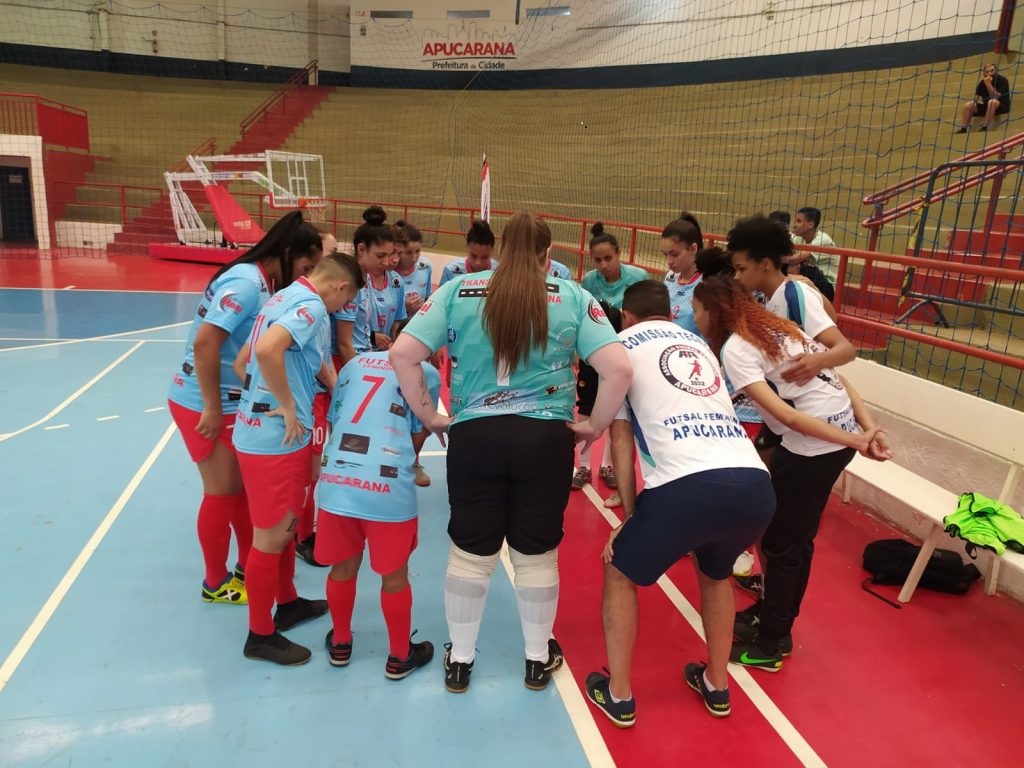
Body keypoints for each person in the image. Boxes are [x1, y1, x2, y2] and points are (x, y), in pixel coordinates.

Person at [390, 212, 632, 695]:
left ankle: (459, 660)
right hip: (544, 440)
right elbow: (619, 368)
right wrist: (593, 427)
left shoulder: (459, 289)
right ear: (548, 254)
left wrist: (431, 415)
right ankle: (537, 659)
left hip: (475, 435)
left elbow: (402, 353)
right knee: (537, 555)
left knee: (470, 553)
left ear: (501, 249)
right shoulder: (572, 295)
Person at [581, 280, 775, 726]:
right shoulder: (698, 343)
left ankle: (620, 695)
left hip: (686, 485)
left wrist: (629, 518)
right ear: (670, 312)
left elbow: (621, 435)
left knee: (619, 569)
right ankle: (717, 683)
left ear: (627, 316)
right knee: (715, 572)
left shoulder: (619, 346)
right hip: (753, 485)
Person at [692, 276, 892, 672]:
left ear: (713, 313)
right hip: (830, 440)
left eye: (696, 310)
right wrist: (863, 429)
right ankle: (772, 618)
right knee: (790, 537)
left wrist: (859, 440)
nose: (693, 317)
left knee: (785, 545)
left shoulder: (737, 347)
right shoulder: (775, 326)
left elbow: (788, 416)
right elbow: (840, 381)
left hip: (816, 448)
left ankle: (772, 642)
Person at [167, 211, 324, 606]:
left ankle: (242, 568)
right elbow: (205, 343)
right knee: (221, 492)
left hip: (229, 398)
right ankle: (215, 581)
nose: (305, 276)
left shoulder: (263, 282)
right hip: (204, 400)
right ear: (287, 253)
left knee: (239, 494)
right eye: (305, 266)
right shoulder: (246, 283)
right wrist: (211, 407)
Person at [232, 252, 364, 665]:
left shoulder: (283, 297)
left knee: (282, 529)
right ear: (341, 288)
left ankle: (286, 602)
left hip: (254, 434)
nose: (343, 309)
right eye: (346, 301)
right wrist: (288, 405)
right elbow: (271, 350)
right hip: (278, 441)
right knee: (271, 537)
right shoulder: (309, 308)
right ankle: (260, 634)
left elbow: (243, 364)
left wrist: (321, 381)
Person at [315, 334, 441, 679]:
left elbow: (334, 419)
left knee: (342, 568)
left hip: (338, 481)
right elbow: (420, 432)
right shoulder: (426, 372)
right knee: (395, 576)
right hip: (387, 487)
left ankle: (340, 643)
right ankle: (399, 656)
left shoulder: (354, 364)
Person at [575, 222, 648, 505]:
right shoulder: (589, 282)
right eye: (598, 260)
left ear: (619, 254)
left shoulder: (637, 277)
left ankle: (607, 466)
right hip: (593, 355)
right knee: (586, 407)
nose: (603, 265)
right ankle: (582, 465)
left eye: (609, 258)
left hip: (625, 354)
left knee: (618, 410)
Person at [296, 231, 342, 568]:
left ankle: (300, 534)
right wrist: (338, 386)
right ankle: (303, 538)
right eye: (331, 251)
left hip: (317, 398)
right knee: (309, 475)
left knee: (313, 472)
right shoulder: (308, 306)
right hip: (310, 400)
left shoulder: (317, 306)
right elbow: (316, 360)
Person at [394, 219, 436, 488]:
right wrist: (406, 311)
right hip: (395, 349)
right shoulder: (389, 276)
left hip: (422, 345)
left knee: (420, 406)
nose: (413, 257)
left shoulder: (425, 269)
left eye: (418, 251)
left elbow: (431, 302)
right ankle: (390, 460)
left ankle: (414, 460)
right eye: (408, 251)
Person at [333, 206, 398, 368]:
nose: (386, 262)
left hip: (363, 357)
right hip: (348, 363)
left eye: (389, 255)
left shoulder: (366, 277)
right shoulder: (349, 285)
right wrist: (356, 377)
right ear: (361, 249)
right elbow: (344, 344)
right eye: (380, 256)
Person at [660, 212, 704, 334]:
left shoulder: (706, 283)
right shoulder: (670, 277)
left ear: (693, 249)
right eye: (665, 254)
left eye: (674, 254)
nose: (669, 261)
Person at [787, 207, 838, 293]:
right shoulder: (798, 239)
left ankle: (793, 297)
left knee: (794, 266)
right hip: (810, 280)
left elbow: (793, 259)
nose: (794, 225)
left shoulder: (823, 239)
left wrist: (777, 258)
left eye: (799, 221)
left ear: (810, 225)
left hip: (828, 286)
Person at [439, 220, 498, 285]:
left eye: (485, 257)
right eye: (474, 256)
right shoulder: (451, 271)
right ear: (467, 247)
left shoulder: (499, 271)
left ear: (492, 250)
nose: (478, 263)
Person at [957, 63, 1011, 134]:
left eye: (992, 71)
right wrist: (972, 104)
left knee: (992, 102)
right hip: (987, 107)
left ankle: (984, 127)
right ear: (984, 73)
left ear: (996, 71)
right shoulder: (982, 82)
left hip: (1001, 106)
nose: (990, 73)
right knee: (968, 105)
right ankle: (963, 129)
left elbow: (995, 97)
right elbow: (976, 98)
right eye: (987, 71)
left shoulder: (1002, 80)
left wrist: (988, 84)